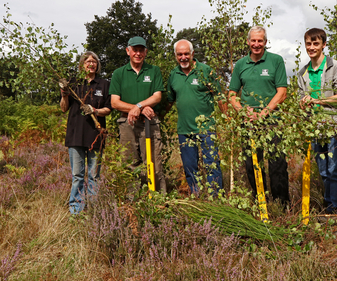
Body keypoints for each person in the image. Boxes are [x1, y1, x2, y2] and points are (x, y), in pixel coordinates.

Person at [229, 26, 290, 208]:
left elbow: (282, 92)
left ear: (265, 42)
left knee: (277, 163)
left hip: (272, 121)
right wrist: (243, 111)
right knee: (252, 164)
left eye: (260, 41)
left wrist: (265, 112)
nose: (257, 44)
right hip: (248, 122)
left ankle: (281, 205)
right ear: (248, 42)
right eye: (253, 41)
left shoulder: (276, 61)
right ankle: (260, 202)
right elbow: (232, 94)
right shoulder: (240, 65)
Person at [297, 28, 337, 214]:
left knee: (336, 169)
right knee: (324, 170)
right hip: (316, 129)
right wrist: (303, 104)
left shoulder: (336, 67)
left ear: (324, 45)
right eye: (308, 44)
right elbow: (301, 98)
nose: (311, 47)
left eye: (316, 43)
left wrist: (318, 101)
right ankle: (330, 208)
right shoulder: (303, 73)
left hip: (335, 126)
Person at [165, 39, 224, 194]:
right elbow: (169, 101)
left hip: (206, 128)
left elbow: (219, 96)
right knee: (190, 167)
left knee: (212, 165)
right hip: (185, 130)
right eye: (180, 54)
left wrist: (228, 118)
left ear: (192, 54)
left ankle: (216, 199)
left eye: (186, 54)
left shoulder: (205, 70)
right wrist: (159, 116)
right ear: (175, 56)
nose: (183, 57)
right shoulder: (173, 75)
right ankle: (196, 197)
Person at [109, 36, 167, 192]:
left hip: (150, 123)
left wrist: (140, 106)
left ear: (146, 52)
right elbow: (114, 102)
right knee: (128, 163)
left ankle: (157, 198)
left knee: (153, 162)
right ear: (128, 51)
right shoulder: (119, 73)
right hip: (127, 123)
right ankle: (131, 201)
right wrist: (138, 108)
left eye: (141, 50)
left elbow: (157, 96)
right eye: (135, 50)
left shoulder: (153, 70)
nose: (138, 53)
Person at [60, 51, 111, 214]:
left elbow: (109, 109)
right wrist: (64, 93)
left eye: (94, 61)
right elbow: (63, 108)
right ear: (82, 65)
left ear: (97, 65)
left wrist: (95, 110)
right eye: (87, 61)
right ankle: (76, 208)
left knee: (94, 175)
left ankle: (94, 209)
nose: (91, 64)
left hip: (96, 136)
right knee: (77, 175)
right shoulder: (73, 83)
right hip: (75, 135)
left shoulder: (104, 84)